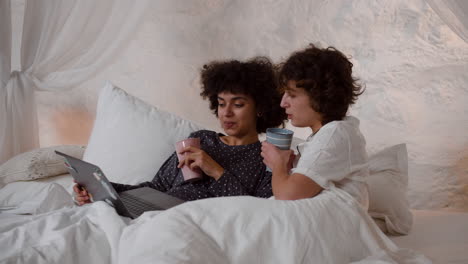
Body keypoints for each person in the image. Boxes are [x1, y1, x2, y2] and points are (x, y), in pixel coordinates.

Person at [74, 57, 287, 204]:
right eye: (221, 104)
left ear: (260, 108)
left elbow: (255, 212)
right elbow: (157, 187)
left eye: (238, 104)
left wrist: (215, 170)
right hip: (158, 214)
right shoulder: (200, 140)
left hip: (200, 224)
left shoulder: (267, 158)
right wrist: (102, 189)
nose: (226, 113)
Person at [261, 44, 369, 207]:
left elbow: (287, 196)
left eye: (292, 95)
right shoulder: (329, 134)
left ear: (320, 96)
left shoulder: (335, 133)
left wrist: (279, 165)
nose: (283, 103)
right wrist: (291, 168)